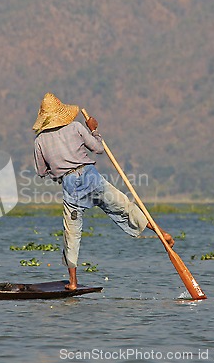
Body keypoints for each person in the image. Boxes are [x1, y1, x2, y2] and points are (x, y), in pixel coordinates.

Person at [33, 92, 174, 290]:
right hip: (91, 177)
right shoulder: (75, 127)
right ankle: (162, 233)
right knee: (124, 206)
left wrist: (55, 170)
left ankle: (72, 282)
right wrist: (94, 131)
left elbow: (41, 171)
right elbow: (98, 148)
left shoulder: (39, 141)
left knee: (71, 232)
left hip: (70, 185)